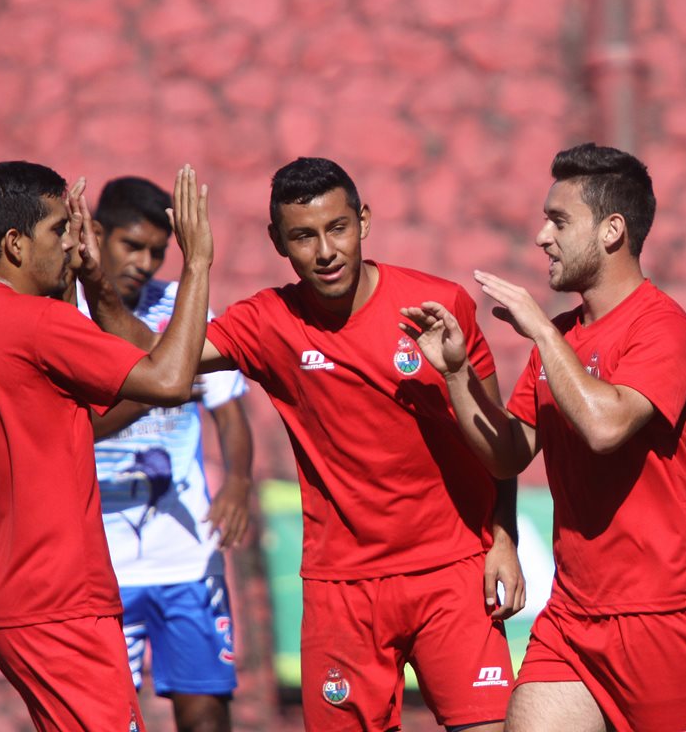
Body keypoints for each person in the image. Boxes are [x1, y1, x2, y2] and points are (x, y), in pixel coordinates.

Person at [83, 157, 524, 732]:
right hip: (342, 589)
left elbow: (497, 442)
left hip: (452, 572)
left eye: (337, 228)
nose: (325, 251)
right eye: (303, 236)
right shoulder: (269, 321)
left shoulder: (439, 306)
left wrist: (505, 537)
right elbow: (155, 359)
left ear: (363, 221)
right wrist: (163, 271)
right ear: (278, 243)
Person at [401, 142, 686, 732]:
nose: (541, 237)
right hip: (572, 616)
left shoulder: (665, 327)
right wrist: (455, 375)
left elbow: (605, 427)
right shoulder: (562, 334)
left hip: (663, 615)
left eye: (558, 220)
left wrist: (541, 335)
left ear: (611, 231)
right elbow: (509, 453)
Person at [0, 162, 213, 731]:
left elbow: (86, 406)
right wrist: (197, 262)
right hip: (61, 598)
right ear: (15, 244)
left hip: (13, 594)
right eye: (58, 230)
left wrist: (80, 281)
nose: (73, 241)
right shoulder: (37, 323)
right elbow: (170, 380)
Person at [78, 176, 252, 732]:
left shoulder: (182, 306)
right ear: (97, 235)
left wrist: (240, 483)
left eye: (158, 251)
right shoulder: (63, 315)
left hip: (186, 559)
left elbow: (228, 410)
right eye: (133, 245)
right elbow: (70, 433)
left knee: (205, 719)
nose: (147, 262)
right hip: (100, 568)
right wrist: (161, 386)